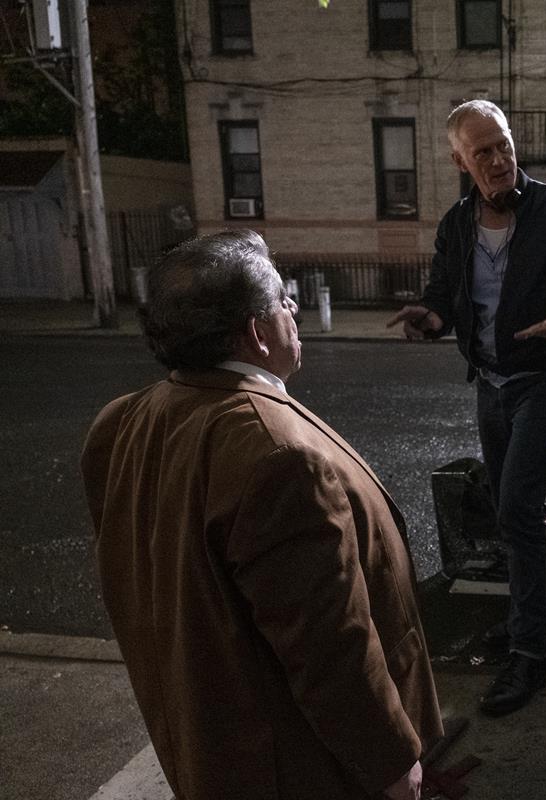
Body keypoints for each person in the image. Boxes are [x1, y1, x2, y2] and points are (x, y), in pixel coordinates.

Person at [81, 230, 442, 800]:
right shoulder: (278, 457)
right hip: (294, 765)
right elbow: (329, 648)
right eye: (282, 299)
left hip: (206, 743)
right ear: (256, 331)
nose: (293, 309)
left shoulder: (121, 421)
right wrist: (391, 762)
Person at [388, 100, 546, 717]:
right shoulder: (456, 225)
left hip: (545, 379)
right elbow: (443, 296)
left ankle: (531, 652)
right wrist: (430, 318)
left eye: (504, 145)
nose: (498, 160)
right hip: (491, 383)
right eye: (482, 151)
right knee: (510, 508)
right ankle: (539, 617)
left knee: (516, 507)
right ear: (460, 160)